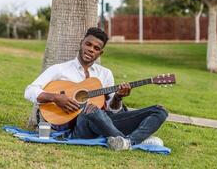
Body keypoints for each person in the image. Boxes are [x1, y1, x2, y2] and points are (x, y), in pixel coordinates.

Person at [24, 27, 168, 150]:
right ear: (81, 44)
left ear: (100, 53)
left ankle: (128, 142)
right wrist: (55, 97)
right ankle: (135, 141)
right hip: (76, 128)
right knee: (92, 110)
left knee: (160, 111)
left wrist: (118, 97)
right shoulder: (60, 69)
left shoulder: (105, 74)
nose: (91, 49)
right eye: (88, 44)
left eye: (96, 48)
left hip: (103, 123)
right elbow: (29, 91)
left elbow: (113, 110)